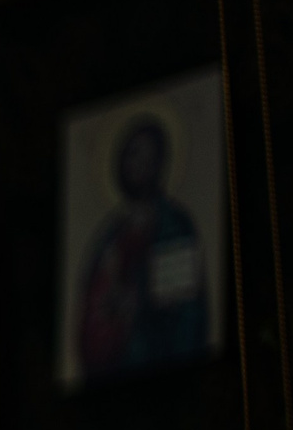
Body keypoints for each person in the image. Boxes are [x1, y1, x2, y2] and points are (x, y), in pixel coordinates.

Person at [76, 114, 209, 380]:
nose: (139, 165)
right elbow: (94, 303)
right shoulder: (110, 234)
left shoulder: (173, 225)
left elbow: (182, 304)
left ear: (159, 164)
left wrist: (138, 302)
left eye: (149, 157)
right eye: (134, 155)